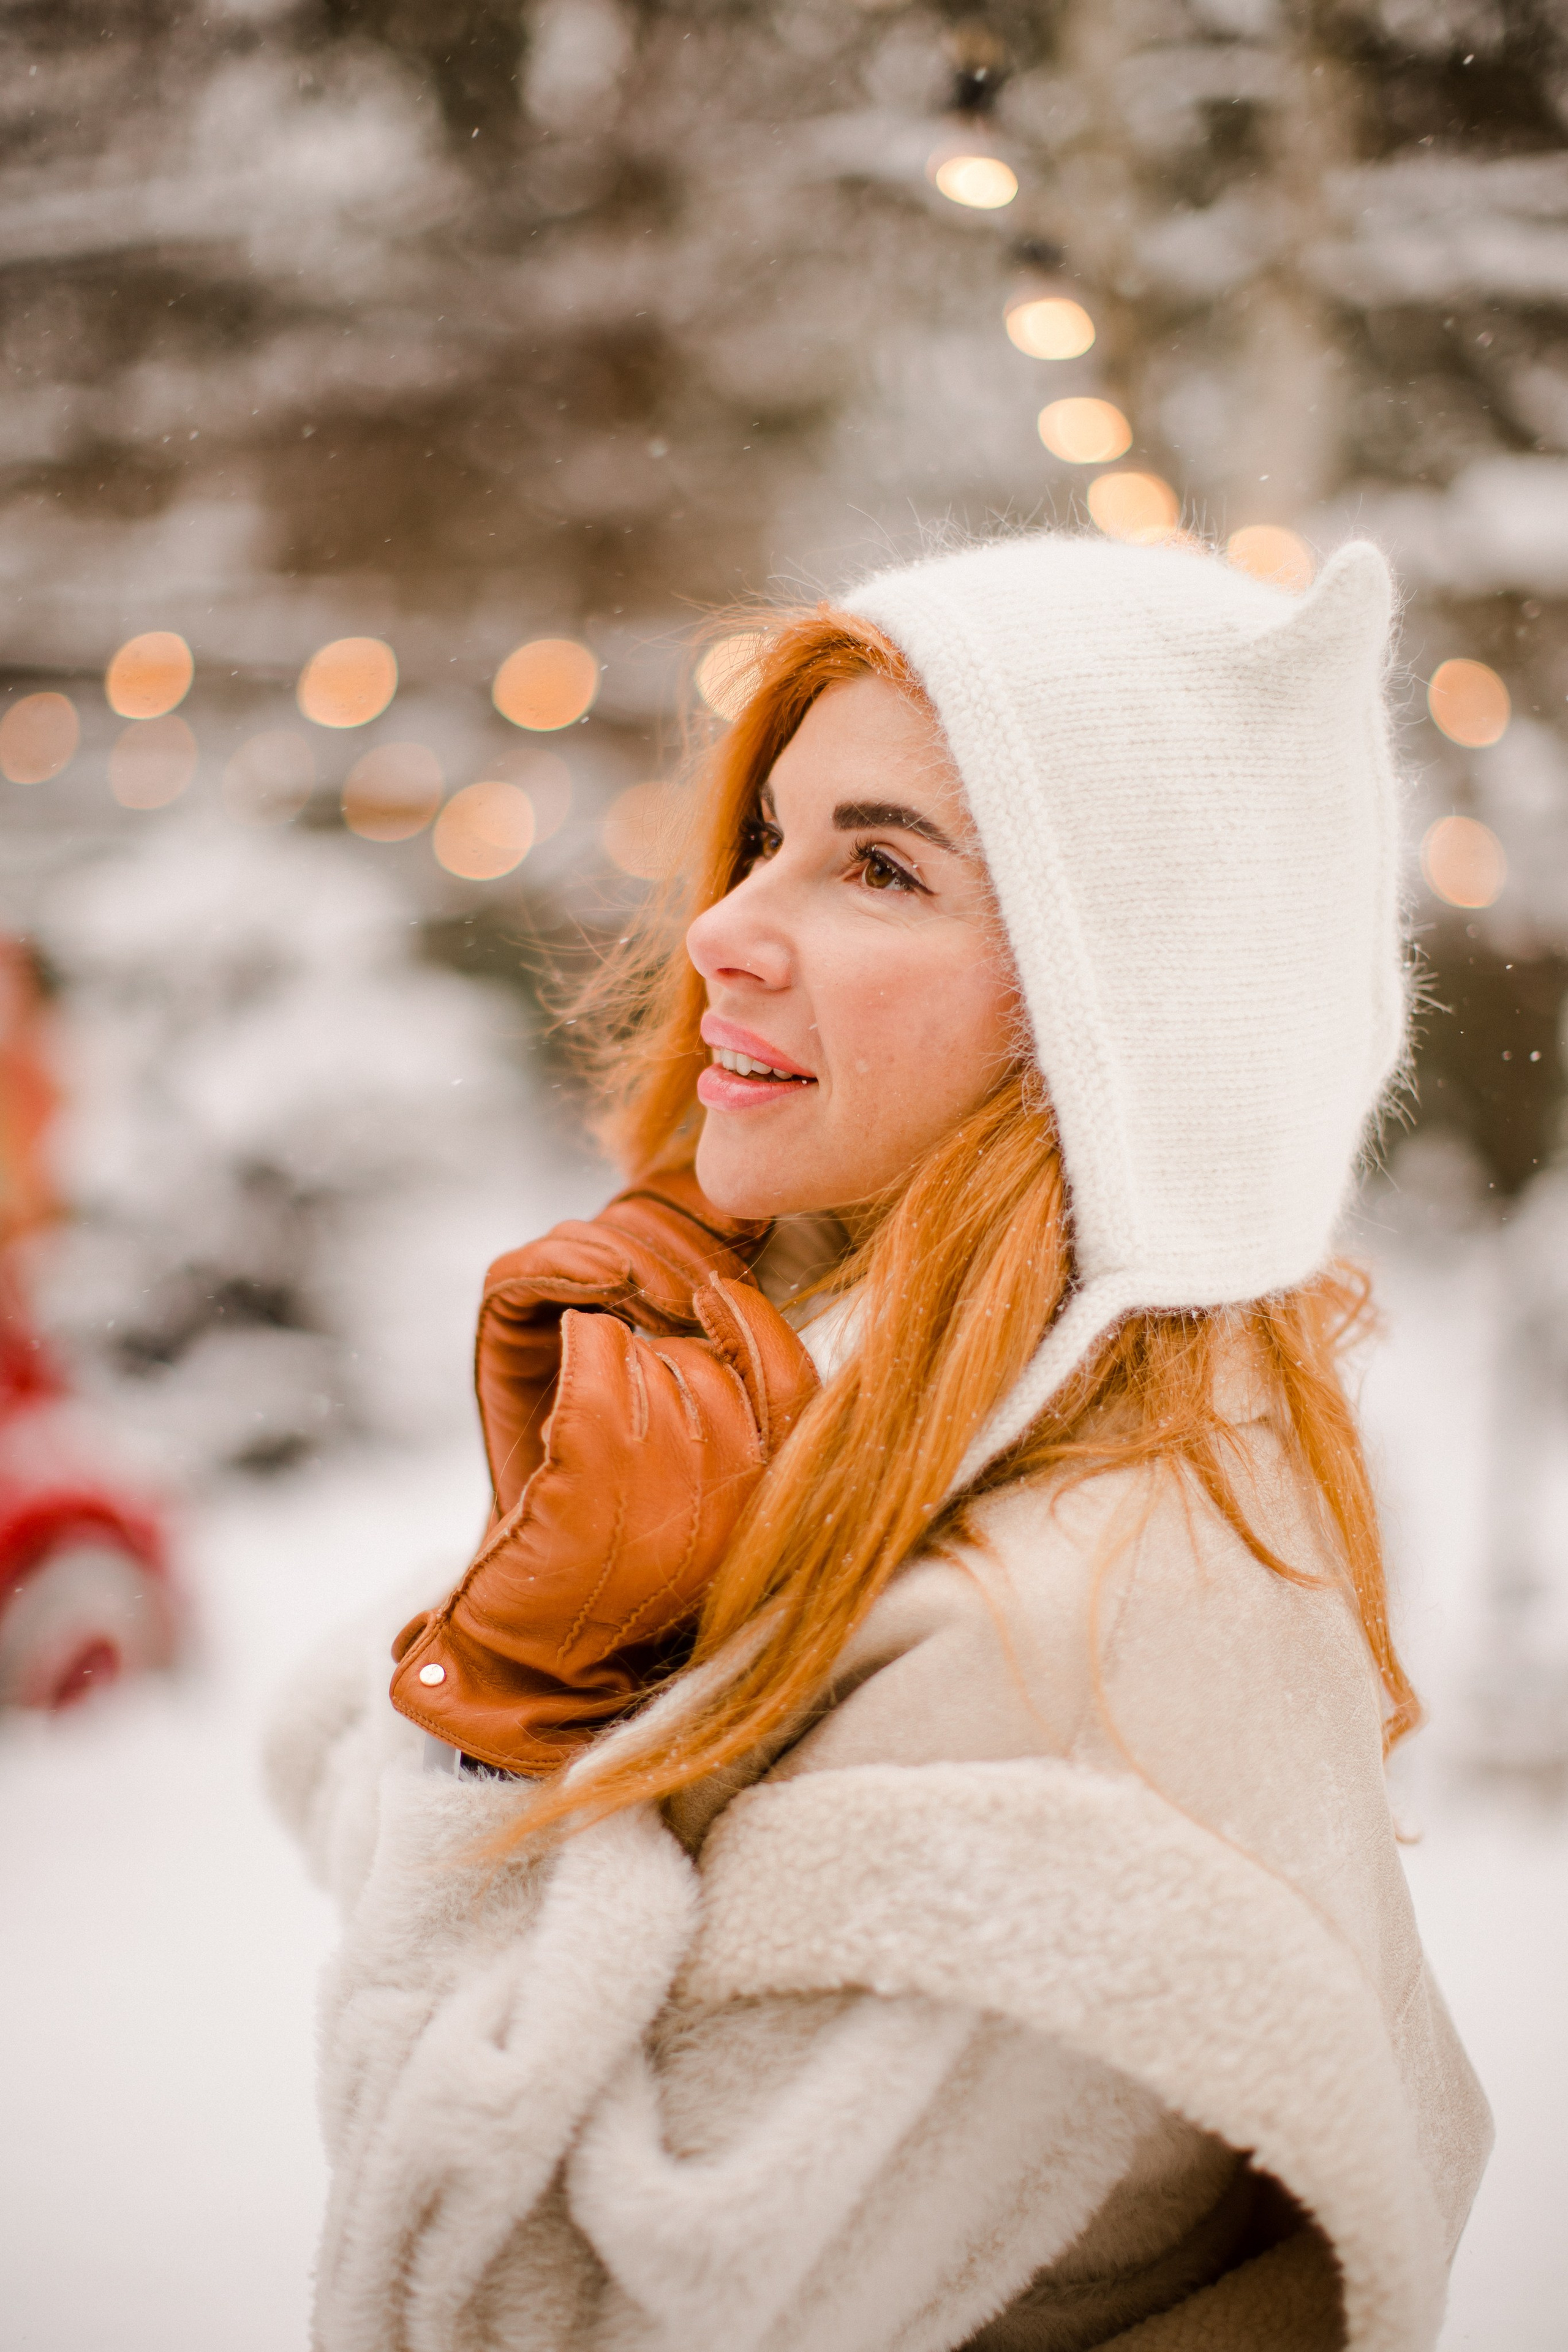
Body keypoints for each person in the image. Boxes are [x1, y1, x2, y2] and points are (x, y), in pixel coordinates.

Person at [268, 530, 1492, 2352]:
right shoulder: (851, 1434)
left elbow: (523, 2315)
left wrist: (517, 1711)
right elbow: (313, 1738)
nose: (723, 928)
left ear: (1114, 1008)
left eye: (882, 866)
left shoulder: (1076, 1658)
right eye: (770, 835)